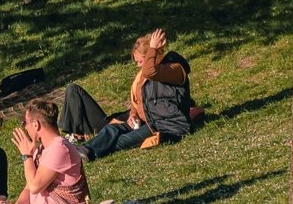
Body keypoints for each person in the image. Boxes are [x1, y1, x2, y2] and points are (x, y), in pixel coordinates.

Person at [61, 29, 197, 163]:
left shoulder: (173, 68)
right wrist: (133, 114)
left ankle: (90, 153)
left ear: (152, 55)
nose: (138, 66)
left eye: (141, 61)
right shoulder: (143, 77)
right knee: (112, 128)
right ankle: (83, 150)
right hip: (148, 121)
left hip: (166, 125)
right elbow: (137, 103)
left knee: (121, 141)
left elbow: (150, 71)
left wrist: (153, 49)